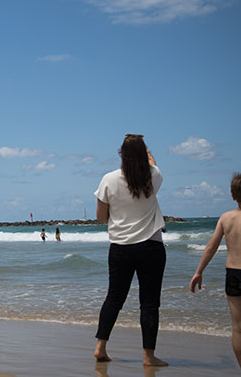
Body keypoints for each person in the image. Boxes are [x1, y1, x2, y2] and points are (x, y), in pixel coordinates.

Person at [93, 134, 167, 367]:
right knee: (149, 302)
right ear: (143, 154)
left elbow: (100, 217)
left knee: (114, 298)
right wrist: (147, 151)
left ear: (121, 155)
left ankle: (100, 347)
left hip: (120, 248)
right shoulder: (153, 176)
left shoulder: (109, 179)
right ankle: (148, 356)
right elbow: (153, 164)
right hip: (151, 247)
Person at [190, 173, 241, 367]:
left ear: (232, 195)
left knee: (238, 328)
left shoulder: (226, 218)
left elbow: (210, 247)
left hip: (234, 274)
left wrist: (199, 271)